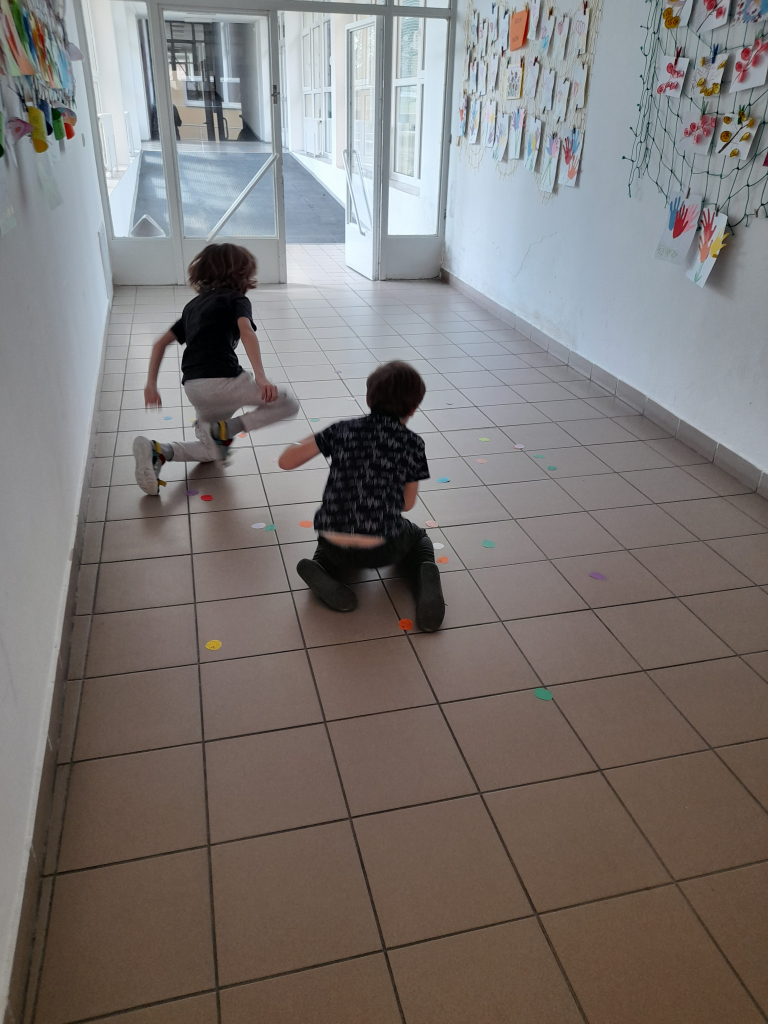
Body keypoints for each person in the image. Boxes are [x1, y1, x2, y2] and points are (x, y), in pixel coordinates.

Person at [278, 361, 445, 632]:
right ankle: (424, 576)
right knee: (419, 538)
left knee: (328, 538)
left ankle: (321, 568)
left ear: (368, 398)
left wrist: (321, 437)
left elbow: (285, 461)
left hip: (335, 543)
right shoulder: (413, 444)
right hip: (383, 547)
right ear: (414, 408)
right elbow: (407, 504)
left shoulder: (342, 430)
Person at [133, 242, 299, 494]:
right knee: (287, 404)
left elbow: (159, 344)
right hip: (224, 380)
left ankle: (159, 451)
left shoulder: (192, 307)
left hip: (194, 387)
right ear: (241, 275)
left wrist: (150, 385)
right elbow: (246, 331)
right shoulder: (236, 299)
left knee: (211, 450)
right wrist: (261, 377)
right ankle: (226, 430)